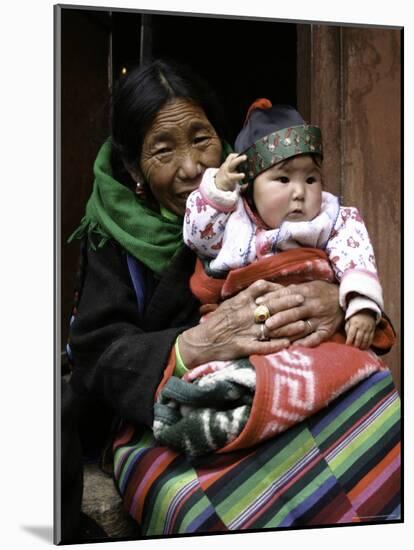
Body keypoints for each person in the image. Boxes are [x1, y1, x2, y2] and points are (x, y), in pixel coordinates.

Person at [63, 60, 398, 541]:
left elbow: (343, 258)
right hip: (170, 411)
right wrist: (195, 345)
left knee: (381, 428)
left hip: (284, 378)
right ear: (134, 166)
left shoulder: (267, 201)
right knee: (201, 509)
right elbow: (97, 357)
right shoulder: (111, 236)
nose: (191, 167)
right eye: (162, 150)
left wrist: (338, 300)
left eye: (201, 140)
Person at [183, 99, 383, 350]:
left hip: (316, 334)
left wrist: (360, 304)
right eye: (283, 178)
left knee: (353, 368)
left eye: (311, 179)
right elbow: (198, 238)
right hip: (243, 334)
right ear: (249, 187)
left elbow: (357, 256)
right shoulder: (235, 220)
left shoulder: (331, 218)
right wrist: (218, 190)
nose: (300, 191)